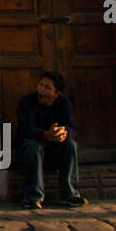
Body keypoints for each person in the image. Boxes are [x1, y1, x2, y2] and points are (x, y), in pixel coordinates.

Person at [15, 71, 86, 209]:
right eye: (41, 85)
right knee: (32, 146)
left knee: (71, 144)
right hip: (30, 152)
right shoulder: (26, 102)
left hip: (54, 152)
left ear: (57, 93)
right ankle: (33, 196)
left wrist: (63, 133)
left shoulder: (63, 104)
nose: (42, 89)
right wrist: (45, 134)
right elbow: (25, 128)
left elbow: (72, 128)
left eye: (47, 87)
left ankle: (70, 194)